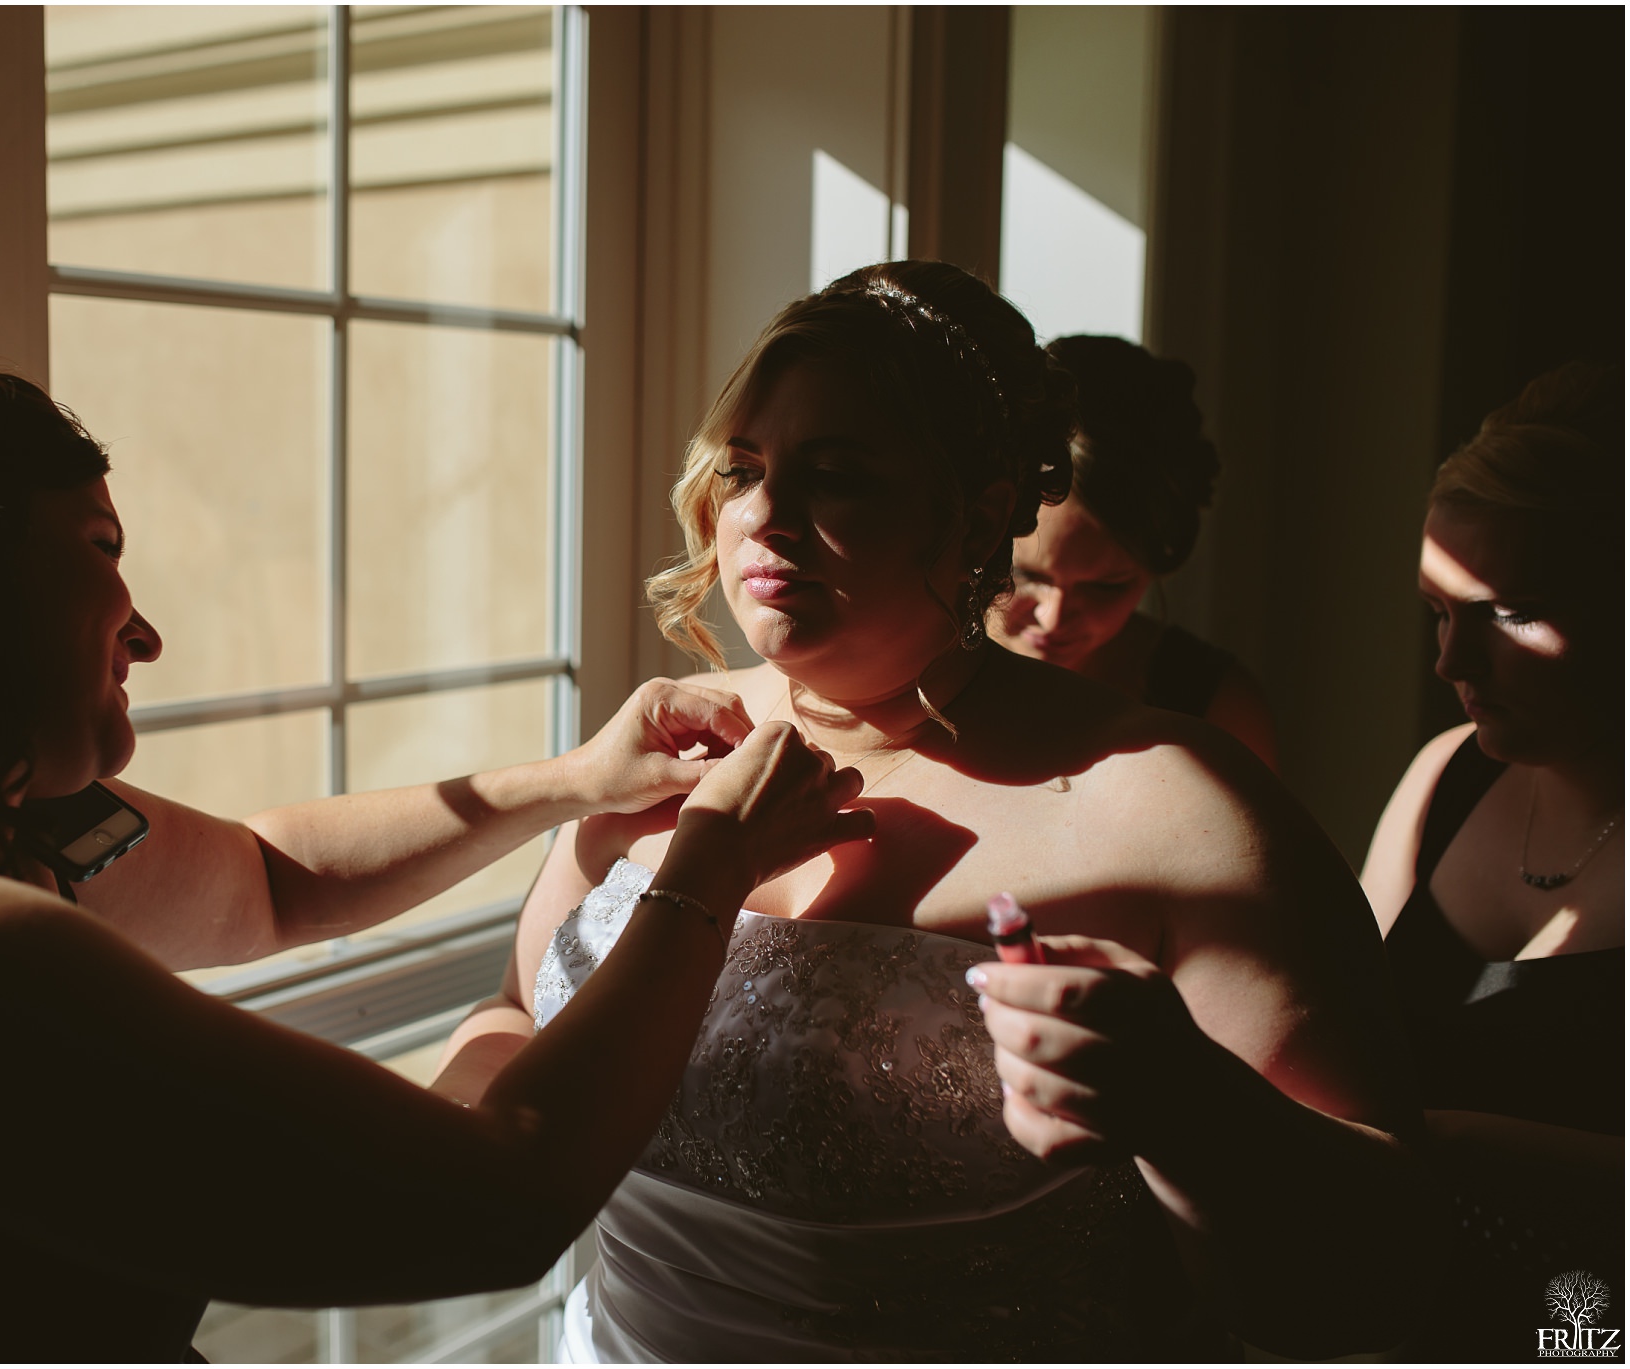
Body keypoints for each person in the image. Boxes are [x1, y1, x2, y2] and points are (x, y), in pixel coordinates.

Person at [0, 331, 874, 1362]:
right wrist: (706, 864)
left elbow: (267, 879)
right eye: (100, 553)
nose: (142, 633)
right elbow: (499, 1200)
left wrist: (573, 781)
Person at [435, 261, 1439, 1360]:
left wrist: (1190, 1109)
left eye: (840, 476)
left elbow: (1384, 1247)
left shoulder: (1171, 810)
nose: (764, 517)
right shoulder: (663, 741)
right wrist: (460, 1160)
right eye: (743, 467)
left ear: (976, 515)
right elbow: (515, 1009)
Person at [1361, 362, 1623, 1361]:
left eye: (1507, 615)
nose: (1449, 665)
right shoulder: (1441, 779)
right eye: (1437, 611)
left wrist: (1448, 1141)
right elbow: (1337, 1026)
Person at [991, 333, 1276, 765]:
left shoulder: (1218, 713)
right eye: (1023, 574)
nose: (1054, 618)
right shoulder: (899, 674)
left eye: (1106, 586)